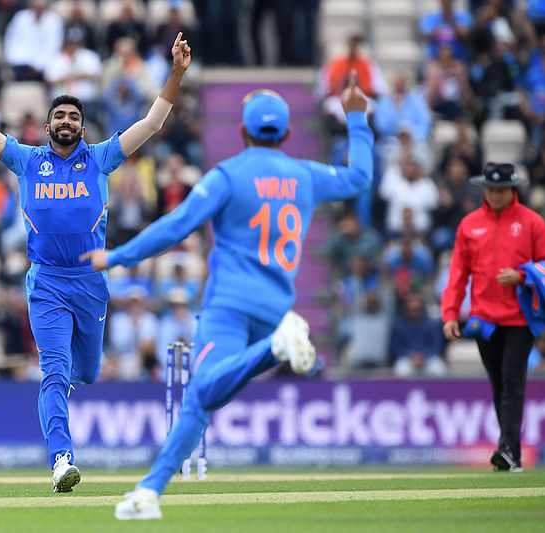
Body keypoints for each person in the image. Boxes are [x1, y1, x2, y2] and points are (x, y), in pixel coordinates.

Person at [82, 73, 373, 519]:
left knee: (200, 393)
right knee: (201, 397)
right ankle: (148, 493)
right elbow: (359, 177)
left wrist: (117, 256)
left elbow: (177, 226)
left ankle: (150, 490)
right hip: (278, 306)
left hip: (230, 305)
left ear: (242, 131)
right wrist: (356, 118)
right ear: (289, 133)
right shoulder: (304, 175)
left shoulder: (228, 176)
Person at [0, 32, 191, 493]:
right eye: (59, 115)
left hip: (91, 282)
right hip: (47, 283)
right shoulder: (26, 159)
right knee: (54, 370)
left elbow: (153, 123)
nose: (66, 121)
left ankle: (65, 389)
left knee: (88, 372)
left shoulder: (100, 157)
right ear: (48, 123)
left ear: (82, 126)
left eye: (74, 116)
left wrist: (176, 71)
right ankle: (61, 461)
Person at [441, 162, 545, 472]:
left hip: (519, 319)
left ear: (512, 190)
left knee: (512, 381)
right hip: (485, 319)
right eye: (491, 190)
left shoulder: (532, 223)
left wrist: (523, 277)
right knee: (499, 384)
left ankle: (507, 448)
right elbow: (458, 273)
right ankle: (511, 453)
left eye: (501, 191)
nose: (495, 196)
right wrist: (450, 314)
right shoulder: (470, 225)